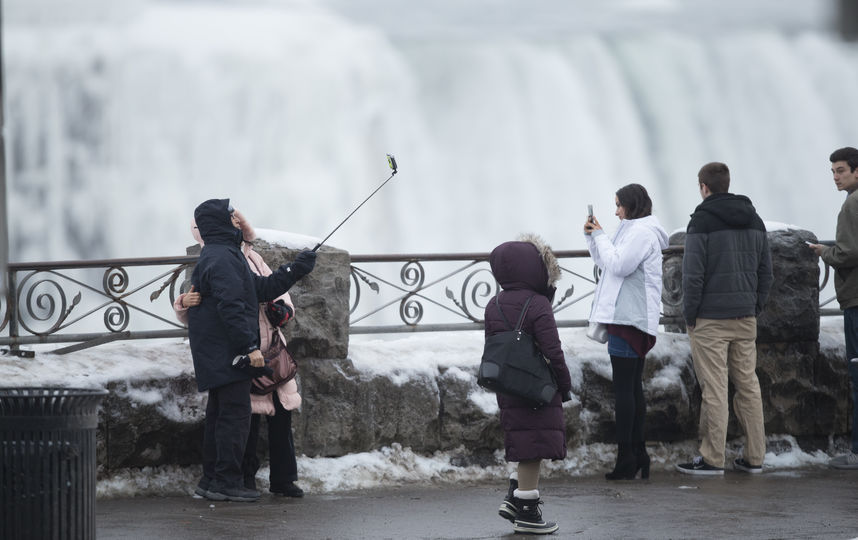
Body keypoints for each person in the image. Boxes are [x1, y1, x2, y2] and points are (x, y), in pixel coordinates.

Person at [183, 198, 315, 502]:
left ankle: (211, 481)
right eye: (230, 216)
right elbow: (232, 306)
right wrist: (249, 348)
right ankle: (226, 482)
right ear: (218, 222)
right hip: (227, 353)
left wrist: (295, 269)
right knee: (233, 417)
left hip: (217, 353)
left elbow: (260, 289)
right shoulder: (223, 258)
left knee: (220, 415)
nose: (235, 219)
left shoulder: (223, 255)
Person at [676, 162, 772, 475]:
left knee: (715, 388)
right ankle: (755, 456)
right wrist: (755, 306)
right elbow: (765, 272)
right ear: (727, 184)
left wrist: (690, 315)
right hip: (745, 316)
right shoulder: (755, 219)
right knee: (748, 385)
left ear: (704, 187)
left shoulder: (701, 221)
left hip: (709, 320)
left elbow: (693, 276)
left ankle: (712, 458)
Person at [485, 234, 573, 535]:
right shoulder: (537, 305)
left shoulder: (493, 303)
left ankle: (514, 495)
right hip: (535, 388)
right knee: (533, 447)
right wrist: (564, 382)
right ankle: (527, 512)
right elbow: (552, 350)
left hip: (507, 385)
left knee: (524, 442)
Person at [583, 184, 668, 480]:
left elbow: (618, 265)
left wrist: (601, 237)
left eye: (618, 205)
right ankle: (638, 454)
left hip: (628, 319)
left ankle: (626, 460)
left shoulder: (642, 233)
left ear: (631, 205)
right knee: (632, 389)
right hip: (628, 317)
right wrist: (594, 238)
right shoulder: (633, 229)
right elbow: (606, 261)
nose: (616, 210)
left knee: (625, 392)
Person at [808, 147, 858, 470]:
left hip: (856, 302)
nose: (836, 177)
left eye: (841, 170)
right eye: (833, 172)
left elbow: (848, 253)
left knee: (857, 374)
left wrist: (823, 252)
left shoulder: (852, 204)